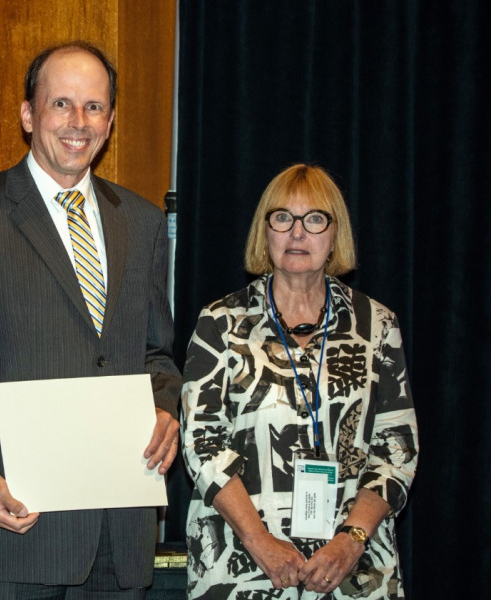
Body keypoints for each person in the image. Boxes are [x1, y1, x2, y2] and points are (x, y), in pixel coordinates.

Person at [0, 41, 182, 598]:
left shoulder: (142, 221)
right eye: (61, 104)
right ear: (28, 114)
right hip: (12, 532)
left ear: (110, 120)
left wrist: (162, 406)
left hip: (118, 542)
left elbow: (156, 353)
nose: (78, 122)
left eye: (93, 106)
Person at [180, 164, 419, 599]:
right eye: (282, 218)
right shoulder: (220, 324)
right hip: (242, 565)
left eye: (314, 219)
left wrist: (351, 540)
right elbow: (201, 445)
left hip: (354, 570)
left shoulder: (378, 324)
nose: (296, 233)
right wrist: (261, 542)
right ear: (264, 231)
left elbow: (397, 448)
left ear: (334, 235)